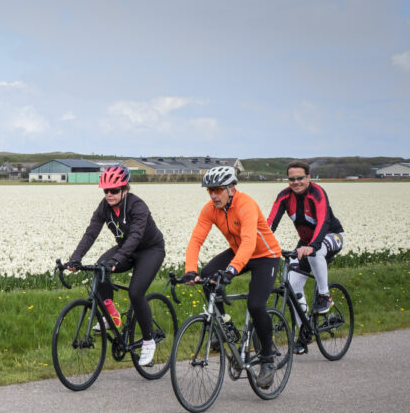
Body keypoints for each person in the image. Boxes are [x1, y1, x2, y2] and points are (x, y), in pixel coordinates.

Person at [182, 166, 282, 388]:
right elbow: (196, 240)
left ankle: (268, 359)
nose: (213, 195)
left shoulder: (246, 205)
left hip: (265, 256)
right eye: (210, 191)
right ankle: (225, 325)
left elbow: (249, 242)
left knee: (256, 306)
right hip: (239, 252)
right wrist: (190, 270)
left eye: (218, 190)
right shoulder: (210, 209)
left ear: (231, 189)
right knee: (207, 275)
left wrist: (232, 270)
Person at [66, 165, 166, 366]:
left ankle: (148, 341)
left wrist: (116, 260)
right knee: (99, 268)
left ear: (125, 189)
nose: (109, 194)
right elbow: (91, 233)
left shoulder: (137, 206)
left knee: (136, 292)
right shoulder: (104, 207)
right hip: (126, 248)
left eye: (114, 190)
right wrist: (75, 258)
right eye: (106, 190)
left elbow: (135, 236)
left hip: (150, 250)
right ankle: (112, 317)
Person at [267, 160, 345, 354]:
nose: (296, 182)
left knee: (315, 253)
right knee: (292, 284)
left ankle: (324, 295)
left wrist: (312, 246)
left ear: (308, 177)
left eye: (300, 178)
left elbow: (323, 222)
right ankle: (305, 332)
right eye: (291, 179)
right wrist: (260, 244)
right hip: (306, 242)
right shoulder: (284, 196)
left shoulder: (317, 193)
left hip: (331, 236)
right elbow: (270, 223)